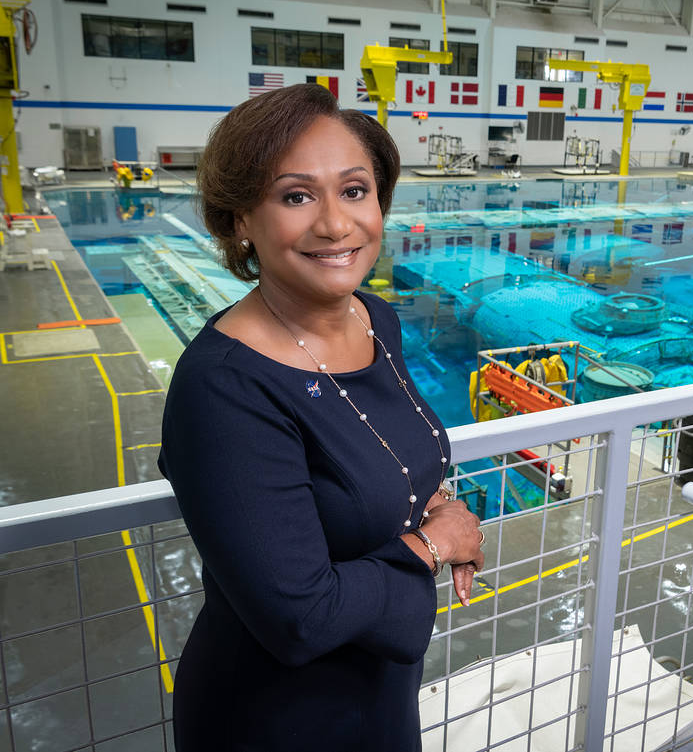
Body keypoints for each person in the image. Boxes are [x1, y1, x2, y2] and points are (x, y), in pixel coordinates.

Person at [158, 83, 485, 750]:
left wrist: (431, 496)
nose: (336, 225)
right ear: (239, 218)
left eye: (355, 190)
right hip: (276, 715)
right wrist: (437, 542)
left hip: (380, 691)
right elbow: (300, 615)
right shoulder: (224, 389)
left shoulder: (376, 318)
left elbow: (384, 442)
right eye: (296, 195)